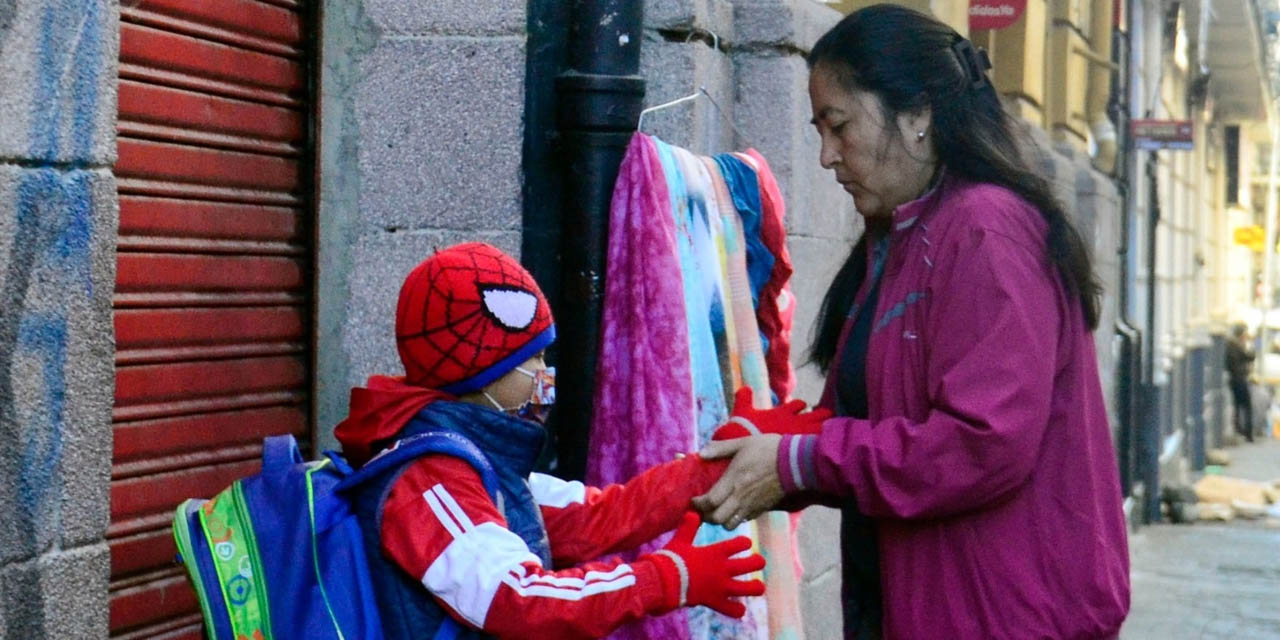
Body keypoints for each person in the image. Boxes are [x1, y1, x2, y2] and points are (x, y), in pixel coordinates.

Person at [691, 6, 1130, 639]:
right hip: (926, 603)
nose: (825, 157)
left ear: (919, 114)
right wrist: (759, 450)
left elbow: (981, 443)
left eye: (838, 126)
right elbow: (868, 423)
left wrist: (803, 462)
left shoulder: (985, 229)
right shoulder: (902, 237)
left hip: (1001, 615)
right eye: (818, 130)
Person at [334, 242, 783, 640]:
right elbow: (517, 599)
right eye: (533, 359)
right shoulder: (430, 481)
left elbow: (595, 518)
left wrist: (717, 465)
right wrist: (662, 579)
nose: (546, 376)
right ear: (477, 370)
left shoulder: (482, 463)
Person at [1226, 323, 1256, 442]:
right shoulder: (1237, 346)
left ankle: (1238, 428)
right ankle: (1247, 432)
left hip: (1234, 379)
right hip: (1240, 379)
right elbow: (1250, 356)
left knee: (1237, 405)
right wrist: (1250, 345)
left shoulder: (1230, 346)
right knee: (1246, 406)